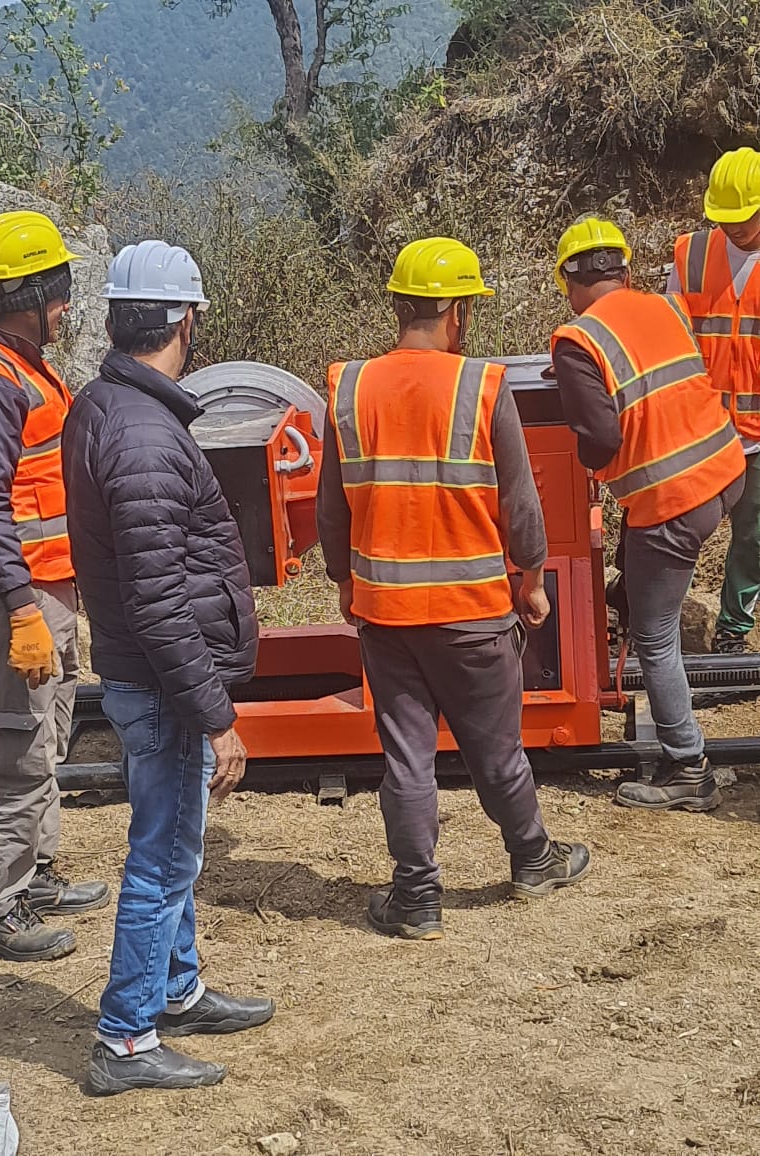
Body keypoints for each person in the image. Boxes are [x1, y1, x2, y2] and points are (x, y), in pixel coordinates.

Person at [316, 236, 590, 941]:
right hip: (471, 614)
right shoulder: (482, 386)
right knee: (495, 750)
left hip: (386, 614)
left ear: (400, 306)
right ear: (458, 311)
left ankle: (416, 900)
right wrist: (530, 582)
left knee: (406, 758)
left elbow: (330, 509)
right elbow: (520, 509)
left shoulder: (347, 386)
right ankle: (531, 859)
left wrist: (345, 582)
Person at [62, 240, 274, 1095]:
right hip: (159, 682)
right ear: (183, 321)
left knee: (173, 841)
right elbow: (156, 600)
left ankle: (176, 989)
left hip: (144, 671)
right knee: (162, 856)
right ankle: (125, 1039)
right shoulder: (146, 435)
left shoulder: (105, 407)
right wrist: (215, 715)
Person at [0, 211, 109, 964]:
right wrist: (21, 612)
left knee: (46, 740)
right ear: (32, 293)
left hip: (45, 593)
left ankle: (34, 877)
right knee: (18, 753)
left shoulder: (20, 361)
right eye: (63, 290)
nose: (68, 307)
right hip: (14, 598)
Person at [550, 217, 745, 812]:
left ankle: (688, 767)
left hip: (670, 501)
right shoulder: (666, 308)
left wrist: (586, 461)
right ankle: (628, 590)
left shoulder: (577, 340)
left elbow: (600, 441)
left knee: (655, 639)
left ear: (567, 281)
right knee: (640, 590)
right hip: (724, 470)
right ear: (626, 270)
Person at [669, 148, 760, 654]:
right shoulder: (693, 254)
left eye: (743, 217)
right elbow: (666, 334)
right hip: (698, 430)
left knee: (752, 538)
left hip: (757, 437)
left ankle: (732, 630)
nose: (735, 228)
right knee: (678, 535)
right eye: (725, 219)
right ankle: (657, 625)